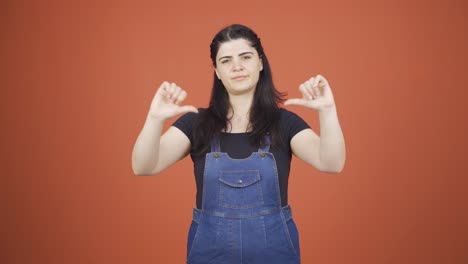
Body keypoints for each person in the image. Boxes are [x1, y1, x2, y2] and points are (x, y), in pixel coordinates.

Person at [132, 24, 346, 264]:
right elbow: (143, 166)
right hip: (210, 254)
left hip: (275, 255)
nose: (237, 67)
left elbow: (332, 162)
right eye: (226, 61)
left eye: (245, 57)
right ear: (217, 71)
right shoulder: (195, 123)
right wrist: (154, 119)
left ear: (261, 62)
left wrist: (327, 111)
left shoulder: (284, 123)